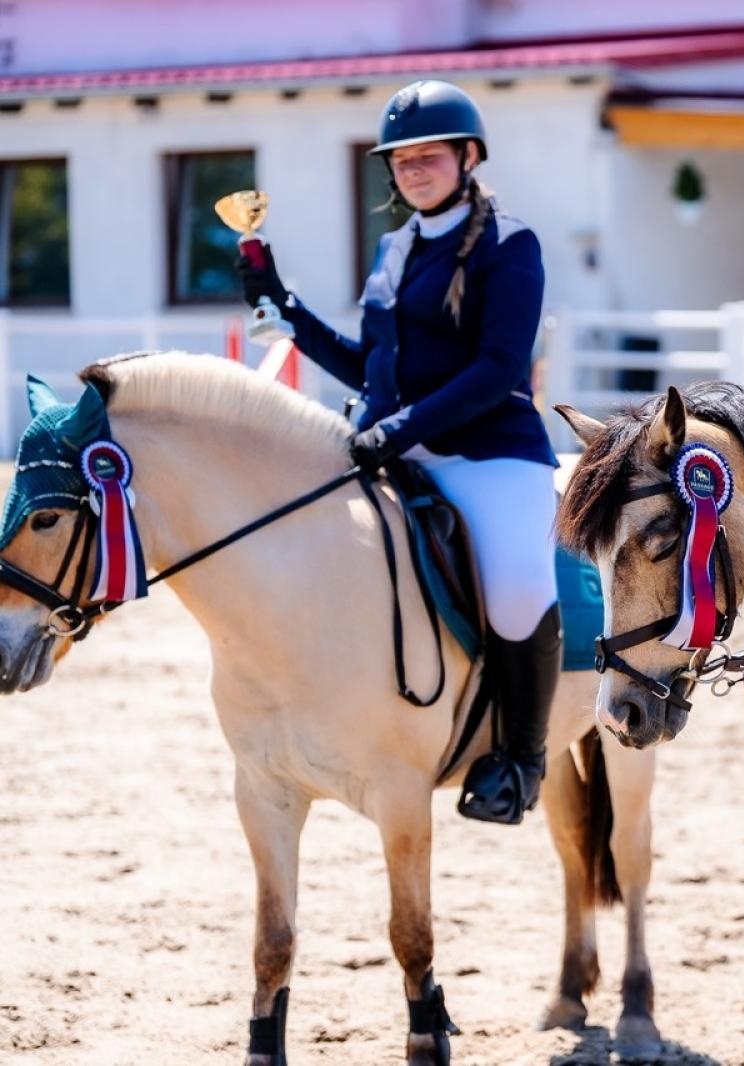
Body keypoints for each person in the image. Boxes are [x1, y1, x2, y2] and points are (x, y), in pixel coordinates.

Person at [233, 79, 561, 826]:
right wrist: (285, 308)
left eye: (429, 156)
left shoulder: (511, 245)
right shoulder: (394, 246)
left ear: (467, 156)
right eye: (401, 159)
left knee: (514, 582)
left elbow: (498, 369)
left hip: (490, 454)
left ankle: (521, 759)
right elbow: (370, 366)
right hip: (394, 448)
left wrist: (399, 429)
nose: (413, 169)